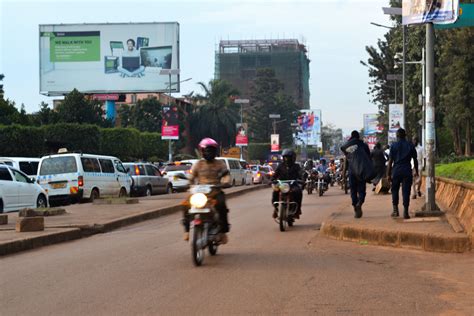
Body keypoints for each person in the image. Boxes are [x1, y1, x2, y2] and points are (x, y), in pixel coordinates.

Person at [182, 138, 231, 243]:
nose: (209, 152)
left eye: (211, 150)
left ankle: (223, 231)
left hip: (215, 191)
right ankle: (186, 231)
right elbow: (192, 176)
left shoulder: (220, 164)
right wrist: (188, 184)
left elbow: (226, 175)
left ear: (215, 151)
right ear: (202, 151)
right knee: (185, 204)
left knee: (222, 205)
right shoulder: (198, 164)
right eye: (206, 150)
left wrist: (225, 182)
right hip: (199, 193)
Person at [387, 128, 418, 219]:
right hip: (407, 170)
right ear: (405, 136)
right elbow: (415, 160)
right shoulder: (410, 145)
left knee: (395, 190)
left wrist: (388, 174)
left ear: (397, 136)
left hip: (396, 170)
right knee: (406, 191)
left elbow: (390, 162)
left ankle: (395, 211)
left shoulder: (393, 146)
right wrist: (416, 170)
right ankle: (405, 212)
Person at [341, 130, 371, 218]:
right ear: (358, 137)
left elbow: (346, 160)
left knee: (353, 190)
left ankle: (355, 206)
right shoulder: (364, 145)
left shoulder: (348, 147)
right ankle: (360, 203)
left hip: (352, 171)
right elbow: (368, 159)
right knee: (362, 189)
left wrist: (343, 173)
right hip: (361, 171)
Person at [271, 149, 303, 219]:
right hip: (282, 185)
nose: (287, 159)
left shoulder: (296, 166)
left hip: (293, 185)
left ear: (293, 158)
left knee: (298, 192)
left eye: (288, 157)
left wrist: (301, 180)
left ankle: (297, 211)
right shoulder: (280, 166)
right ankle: (275, 209)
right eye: (285, 157)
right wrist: (272, 180)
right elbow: (275, 174)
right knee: (275, 192)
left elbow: (300, 174)